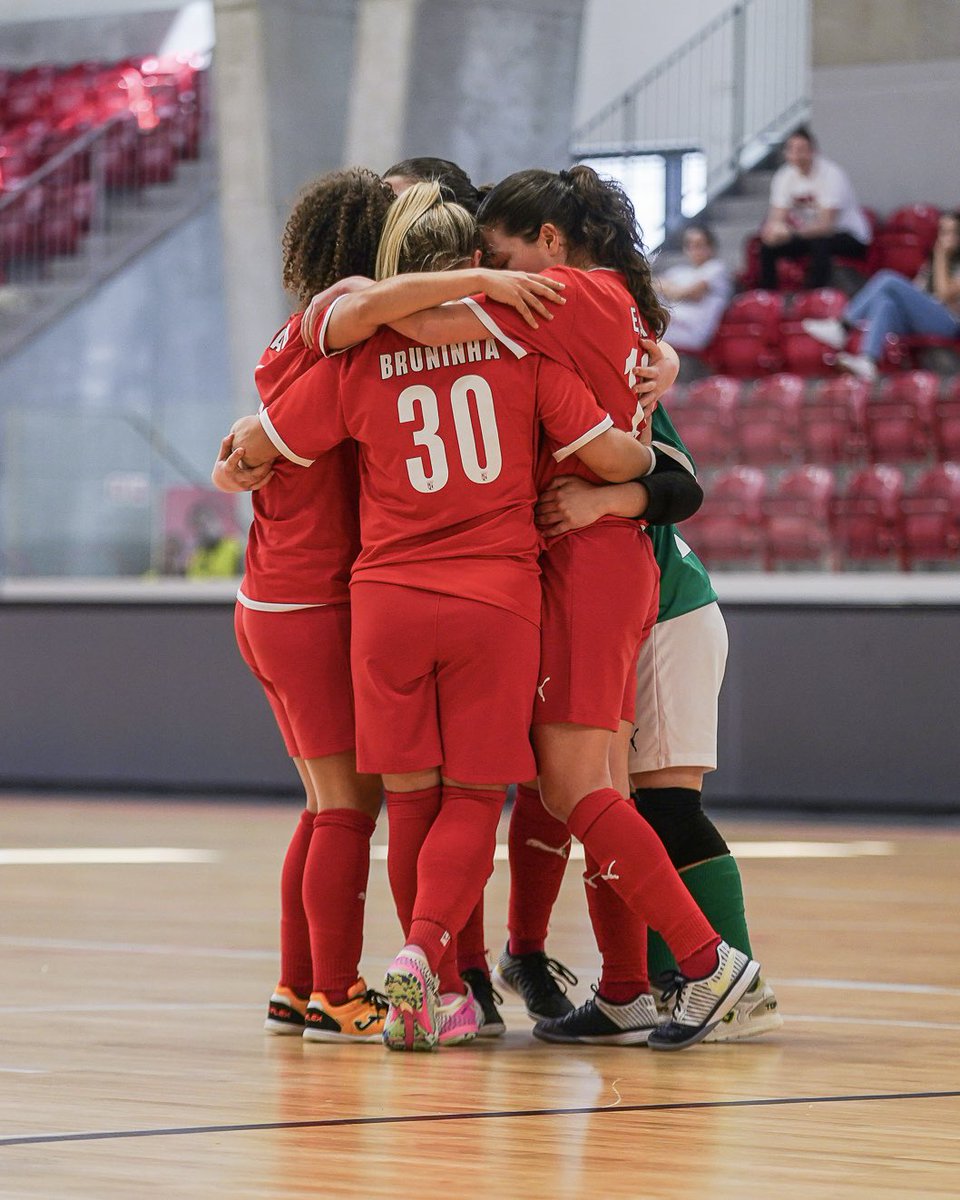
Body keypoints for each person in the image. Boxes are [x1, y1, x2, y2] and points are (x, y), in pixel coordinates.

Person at [223, 181, 663, 1051]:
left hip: (327, 595)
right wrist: (638, 469)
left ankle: (321, 985)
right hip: (385, 597)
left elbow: (252, 451)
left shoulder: (338, 341)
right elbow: (613, 444)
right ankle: (387, 979)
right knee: (394, 806)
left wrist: (242, 453)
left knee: (340, 808)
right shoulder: (365, 323)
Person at [377, 165, 761, 1050]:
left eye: (496, 253)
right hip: (600, 567)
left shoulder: (554, 294)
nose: (488, 267)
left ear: (547, 245)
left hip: (590, 568)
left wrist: (449, 284)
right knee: (597, 785)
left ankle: (712, 967)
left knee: (578, 786)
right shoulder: (613, 299)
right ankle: (628, 986)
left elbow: (413, 321)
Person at [521, 414, 783, 1044]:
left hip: (669, 614)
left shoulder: (621, 370)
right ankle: (638, 988)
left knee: (664, 806)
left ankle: (734, 982)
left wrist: (606, 499)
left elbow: (682, 486)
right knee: (613, 803)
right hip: (616, 613)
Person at [212, 167, 395, 1044]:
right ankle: (338, 990)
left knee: (327, 806)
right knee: (349, 810)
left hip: (271, 598)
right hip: (309, 603)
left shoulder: (294, 335)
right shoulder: (341, 313)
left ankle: (296, 985)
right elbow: (366, 308)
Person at [801, 209, 960, 382]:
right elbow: (919, 290)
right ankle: (868, 360)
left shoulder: (944, 258)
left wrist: (941, 255)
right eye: (943, 232)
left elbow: (945, 294)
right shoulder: (932, 263)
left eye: (952, 232)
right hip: (924, 316)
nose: (946, 238)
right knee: (885, 302)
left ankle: (843, 326)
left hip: (949, 322)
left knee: (887, 278)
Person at [759, 126, 871, 290]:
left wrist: (791, 234)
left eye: (801, 150)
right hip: (808, 234)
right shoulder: (784, 177)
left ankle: (814, 295)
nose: (797, 155)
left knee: (819, 243)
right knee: (767, 247)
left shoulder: (831, 174)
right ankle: (768, 298)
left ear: (813, 151)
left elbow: (826, 226)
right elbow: (776, 218)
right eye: (792, 149)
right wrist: (774, 232)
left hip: (849, 236)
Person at [656, 223, 732, 354]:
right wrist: (678, 291)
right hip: (672, 323)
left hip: (693, 332)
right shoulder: (680, 271)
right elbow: (652, 284)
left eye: (699, 244)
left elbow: (694, 293)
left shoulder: (716, 268)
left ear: (710, 247)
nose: (693, 249)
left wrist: (671, 290)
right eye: (689, 245)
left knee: (645, 331)